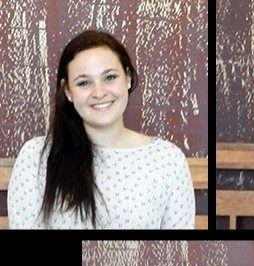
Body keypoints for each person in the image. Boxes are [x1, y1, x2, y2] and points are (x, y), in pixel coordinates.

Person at [8, 30, 195, 229]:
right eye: (84, 83)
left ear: (128, 78)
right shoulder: (36, 157)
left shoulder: (168, 160)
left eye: (110, 77)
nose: (99, 92)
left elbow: (177, 252)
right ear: (68, 91)